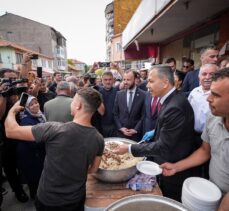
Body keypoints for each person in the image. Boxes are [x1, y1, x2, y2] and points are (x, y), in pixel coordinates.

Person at [4, 87, 104, 211]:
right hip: (76, 199)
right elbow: (93, 170)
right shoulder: (99, 139)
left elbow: (10, 131)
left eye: (73, 101)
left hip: (49, 201)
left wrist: (12, 111)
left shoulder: (54, 129)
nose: (71, 103)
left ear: (78, 105)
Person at [114, 65, 197, 201]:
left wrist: (129, 148)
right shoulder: (170, 99)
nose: (147, 86)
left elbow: (163, 146)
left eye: (151, 81)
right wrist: (156, 131)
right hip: (167, 162)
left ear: (165, 83)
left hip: (174, 166)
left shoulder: (175, 106)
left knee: (169, 199)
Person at [161, 68, 229, 203]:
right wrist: (176, 167)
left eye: (215, 95)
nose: (208, 99)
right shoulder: (213, 118)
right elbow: (205, 151)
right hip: (211, 193)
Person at [17, 95, 46, 199]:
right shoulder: (26, 120)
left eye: (36, 102)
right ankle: (36, 197)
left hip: (37, 153)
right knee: (34, 178)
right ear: (27, 108)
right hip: (31, 155)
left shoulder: (39, 114)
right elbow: (33, 141)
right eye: (31, 104)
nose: (35, 105)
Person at [113, 70, 145, 142]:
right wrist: (120, 128)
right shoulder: (119, 94)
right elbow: (115, 114)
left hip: (136, 136)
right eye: (124, 79)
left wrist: (136, 129)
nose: (125, 82)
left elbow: (144, 115)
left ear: (135, 80)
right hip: (121, 134)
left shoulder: (144, 95)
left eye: (128, 80)